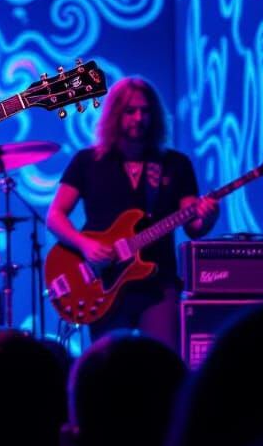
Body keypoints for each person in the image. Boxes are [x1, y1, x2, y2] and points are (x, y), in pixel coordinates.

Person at [46, 76, 218, 350]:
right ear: (115, 114)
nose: (139, 118)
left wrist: (208, 216)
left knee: (163, 362)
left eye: (145, 111)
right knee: (109, 366)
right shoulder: (87, 161)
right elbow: (55, 216)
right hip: (103, 283)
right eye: (130, 111)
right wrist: (86, 245)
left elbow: (193, 226)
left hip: (158, 282)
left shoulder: (176, 164)